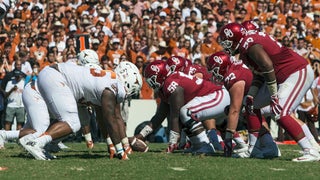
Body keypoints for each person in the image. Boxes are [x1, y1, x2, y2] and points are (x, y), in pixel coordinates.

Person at [219, 22, 320, 162]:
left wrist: (273, 95)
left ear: (234, 38)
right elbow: (260, 74)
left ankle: (310, 151)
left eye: (227, 41)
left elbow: (267, 65)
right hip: (282, 77)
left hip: (295, 71)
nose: (226, 45)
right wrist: (252, 95)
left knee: (280, 112)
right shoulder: (246, 47)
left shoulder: (249, 43)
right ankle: (256, 148)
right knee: (250, 105)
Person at [18, 60, 142, 160]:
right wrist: (120, 150)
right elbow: (110, 120)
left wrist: (112, 145)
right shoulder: (113, 87)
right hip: (55, 77)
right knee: (72, 122)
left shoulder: (109, 80)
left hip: (51, 74)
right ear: (129, 82)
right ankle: (37, 143)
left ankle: (39, 144)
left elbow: (104, 118)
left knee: (63, 121)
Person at [144, 60, 231, 154]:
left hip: (218, 95)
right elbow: (159, 116)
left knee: (187, 112)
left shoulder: (171, 84)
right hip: (215, 96)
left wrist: (172, 144)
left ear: (161, 75)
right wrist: (140, 135)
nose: (151, 83)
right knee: (184, 115)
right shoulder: (165, 86)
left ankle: (206, 145)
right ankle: (199, 145)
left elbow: (175, 116)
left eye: (152, 79)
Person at [207, 51, 280, 158]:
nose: (213, 75)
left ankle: (254, 148)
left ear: (223, 66)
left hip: (271, 97)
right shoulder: (234, 69)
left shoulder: (233, 77)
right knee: (247, 108)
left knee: (247, 107)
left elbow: (234, 111)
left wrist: (228, 139)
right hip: (266, 92)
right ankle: (270, 146)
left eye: (215, 71)